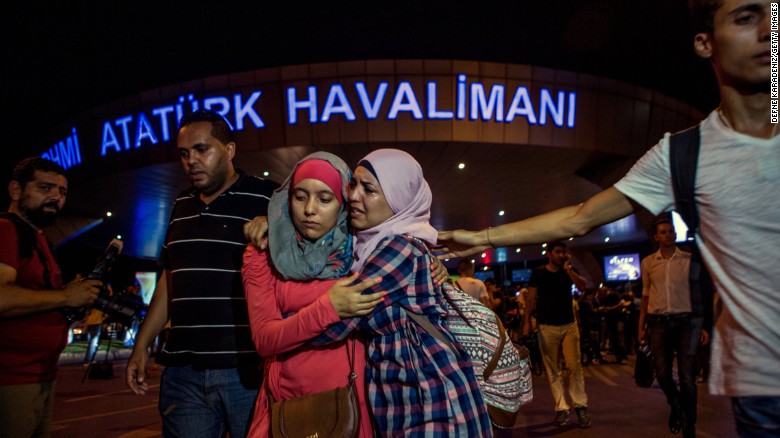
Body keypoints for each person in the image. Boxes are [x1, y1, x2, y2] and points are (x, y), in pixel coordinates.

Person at [438, 1, 779, 435]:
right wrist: (484, 236)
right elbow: (578, 219)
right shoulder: (684, 155)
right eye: (747, 18)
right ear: (704, 42)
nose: (769, 31)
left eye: (775, 16)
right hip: (761, 385)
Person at [310, 149, 492, 435]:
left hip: (432, 400)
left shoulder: (398, 248)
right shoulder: (365, 247)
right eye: (353, 184)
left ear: (397, 200)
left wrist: (280, 323)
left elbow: (335, 323)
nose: (354, 196)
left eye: (368, 189)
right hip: (404, 398)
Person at [125, 109, 279, 437]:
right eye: (184, 153)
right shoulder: (181, 205)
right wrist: (142, 343)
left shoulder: (267, 197)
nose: (191, 160)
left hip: (245, 372)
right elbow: (170, 284)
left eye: (201, 149)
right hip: (183, 373)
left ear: (230, 150)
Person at [242, 152, 383, 437]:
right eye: (300, 196)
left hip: (348, 403)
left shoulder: (362, 249)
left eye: (325, 198)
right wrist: (329, 307)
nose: (309, 209)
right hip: (288, 403)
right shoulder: (263, 252)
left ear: (343, 204)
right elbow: (265, 339)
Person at [0, 157, 102, 438]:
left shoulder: (38, 239)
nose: (55, 197)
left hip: (41, 376)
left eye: (62, 192)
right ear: (16, 190)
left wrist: (73, 300)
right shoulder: (6, 230)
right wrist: (65, 296)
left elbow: (42, 298)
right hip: (12, 379)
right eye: (45, 188)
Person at [638, 217, 709, 437]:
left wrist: (703, 325)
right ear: (656, 237)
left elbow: (697, 295)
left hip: (685, 322)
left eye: (671, 231)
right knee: (661, 373)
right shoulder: (648, 263)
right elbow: (646, 296)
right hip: (658, 323)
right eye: (663, 232)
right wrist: (640, 327)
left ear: (675, 235)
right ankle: (677, 406)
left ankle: (689, 425)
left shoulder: (688, 260)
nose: (668, 235)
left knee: (688, 377)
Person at [523, 241, 591, 428]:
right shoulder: (538, 273)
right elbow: (530, 299)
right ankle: (561, 409)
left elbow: (583, 286)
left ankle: (580, 406)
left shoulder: (568, 271)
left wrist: (569, 268)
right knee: (553, 370)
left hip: (569, 325)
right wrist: (527, 322)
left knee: (574, 366)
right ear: (549, 254)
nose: (561, 255)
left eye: (564, 252)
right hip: (547, 327)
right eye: (558, 252)